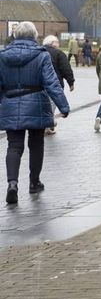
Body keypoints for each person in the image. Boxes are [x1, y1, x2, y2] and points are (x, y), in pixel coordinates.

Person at [0, 22, 70, 203]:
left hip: (10, 102)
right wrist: (63, 106)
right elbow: (51, 83)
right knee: (36, 144)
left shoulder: (2, 56)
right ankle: (34, 182)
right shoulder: (41, 55)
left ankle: (12, 184)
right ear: (34, 36)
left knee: (14, 146)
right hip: (36, 103)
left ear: (15, 36)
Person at [41, 35, 75, 135]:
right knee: (51, 104)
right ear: (52, 43)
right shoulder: (59, 53)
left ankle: (46, 125)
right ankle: (46, 126)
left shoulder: (39, 52)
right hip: (55, 83)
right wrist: (71, 82)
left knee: (41, 104)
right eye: (57, 42)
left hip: (39, 84)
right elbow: (66, 68)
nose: (58, 44)